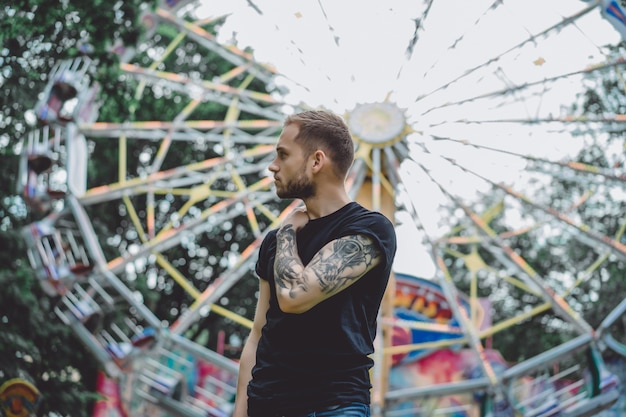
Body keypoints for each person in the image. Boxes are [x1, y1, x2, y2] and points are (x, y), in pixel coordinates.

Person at [233, 110, 397, 417]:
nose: (273, 166)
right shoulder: (275, 242)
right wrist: (240, 411)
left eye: (283, 155)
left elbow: (295, 296)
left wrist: (286, 232)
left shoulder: (370, 230)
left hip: (332, 406)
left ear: (316, 161)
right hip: (265, 406)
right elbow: (258, 333)